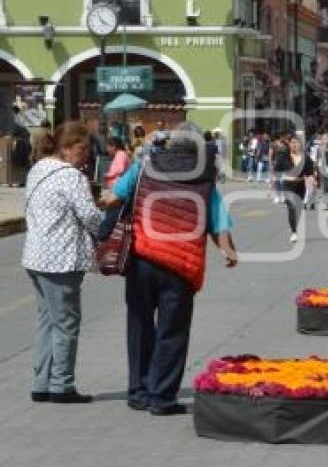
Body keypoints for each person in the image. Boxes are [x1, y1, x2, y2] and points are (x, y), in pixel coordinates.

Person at [103, 121, 237, 416]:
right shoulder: (204, 177)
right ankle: (162, 397)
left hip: (141, 259)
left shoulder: (144, 166)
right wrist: (228, 250)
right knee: (172, 331)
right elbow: (218, 219)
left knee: (139, 323)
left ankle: (138, 392)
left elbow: (113, 197)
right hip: (180, 266)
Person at [22, 122, 102, 404]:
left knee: (47, 321)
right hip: (61, 259)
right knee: (66, 323)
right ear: (67, 149)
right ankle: (61, 385)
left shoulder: (38, 169)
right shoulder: (71, 176)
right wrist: (108, 230)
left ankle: (41, 382)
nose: (86, 156)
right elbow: (90, 216)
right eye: (82, 150)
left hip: (35, 255)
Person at [277, 135, 315, 243]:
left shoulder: (306, 158)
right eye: (292, 142)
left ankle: (295, 226)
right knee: (291, 208)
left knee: (297, 209)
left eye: (296, 142)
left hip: (300, 184)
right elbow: (276, 170)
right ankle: (294, 232)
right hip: (288, 184)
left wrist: (312, 179)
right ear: (289, 144)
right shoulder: (284, 156)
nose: (294, 144)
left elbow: (310, 172)